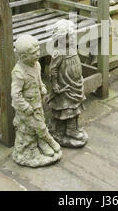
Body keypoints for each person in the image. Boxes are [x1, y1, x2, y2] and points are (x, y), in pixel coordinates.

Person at [11, 35, 61, 168]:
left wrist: (42, 87)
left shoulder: (37, 65)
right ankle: (47, 142)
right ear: (23, 56)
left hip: (37, 104)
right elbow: (15, 94)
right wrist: (25, 106)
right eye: (34, 53)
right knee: (37, 127)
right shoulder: (18, 72)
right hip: (26, 109)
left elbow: (38, 80)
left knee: (40, 123)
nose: (38, 54)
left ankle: (43, 145)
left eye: (38, 50)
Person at [48, 19, 87, 148]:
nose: (70, 39)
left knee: (76, 107)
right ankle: (66, 131)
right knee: (68, 109)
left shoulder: (72, 49)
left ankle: (73, 129)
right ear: (59, 38)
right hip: (65, 86)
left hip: (75, 84)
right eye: (67, 37)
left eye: (71, 36)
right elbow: (53, 70)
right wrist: (54, 84)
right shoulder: (59, 53)